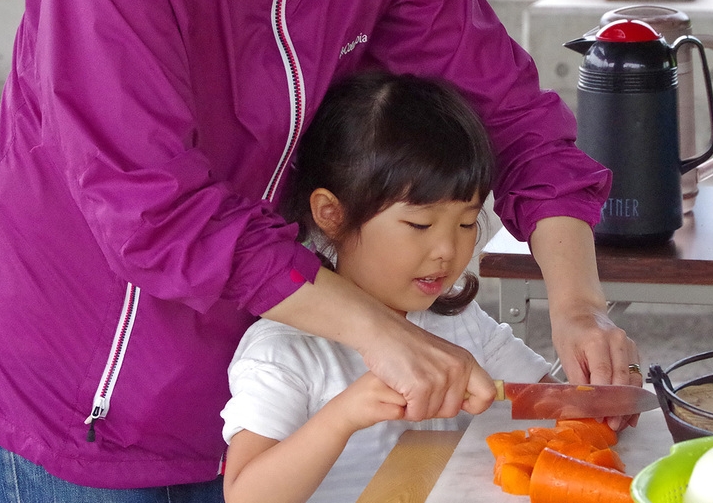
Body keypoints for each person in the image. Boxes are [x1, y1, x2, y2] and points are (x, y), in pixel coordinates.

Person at [0, 0, 640, 499]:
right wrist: (379, 330)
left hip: (262, 342)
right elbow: (152, 205)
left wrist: (578, 305)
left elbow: (511, 117)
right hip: (86, 386)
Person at [221, 71, 557, 503]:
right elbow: (245, 496)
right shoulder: (286, 349)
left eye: (467, 223)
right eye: (419, 224)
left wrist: (602, 384)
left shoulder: (459, 323)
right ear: (332, 213)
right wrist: (342, 416)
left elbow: (547, 398)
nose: (446, 251)